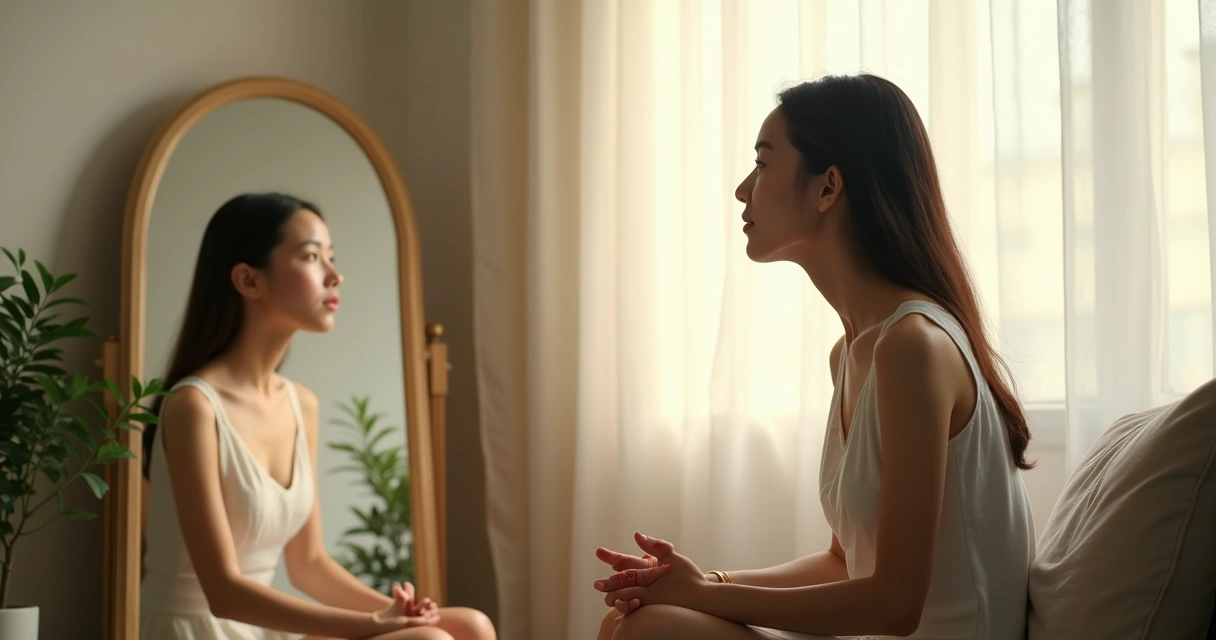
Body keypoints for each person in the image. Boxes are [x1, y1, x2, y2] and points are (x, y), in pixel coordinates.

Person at [592, 74, 1036, 639]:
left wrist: (704, 597)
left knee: (646, 631)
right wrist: (708, 583)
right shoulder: (854, 352)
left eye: (763, 163)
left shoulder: (914, 348)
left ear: (828, 188)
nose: (742, 190)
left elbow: (895, 605)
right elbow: (843, 562)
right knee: (631, 619)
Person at [140, 193, 496, 640]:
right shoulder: (193, 406)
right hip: (196, 629)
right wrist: (375, 624)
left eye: (331, 257)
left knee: (469, 626)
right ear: (249, 280)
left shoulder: (300, 403)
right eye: (311, 256)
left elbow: (308, 565)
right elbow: (223, 593)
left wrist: (400, 613)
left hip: (260, 629)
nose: (335, 275)